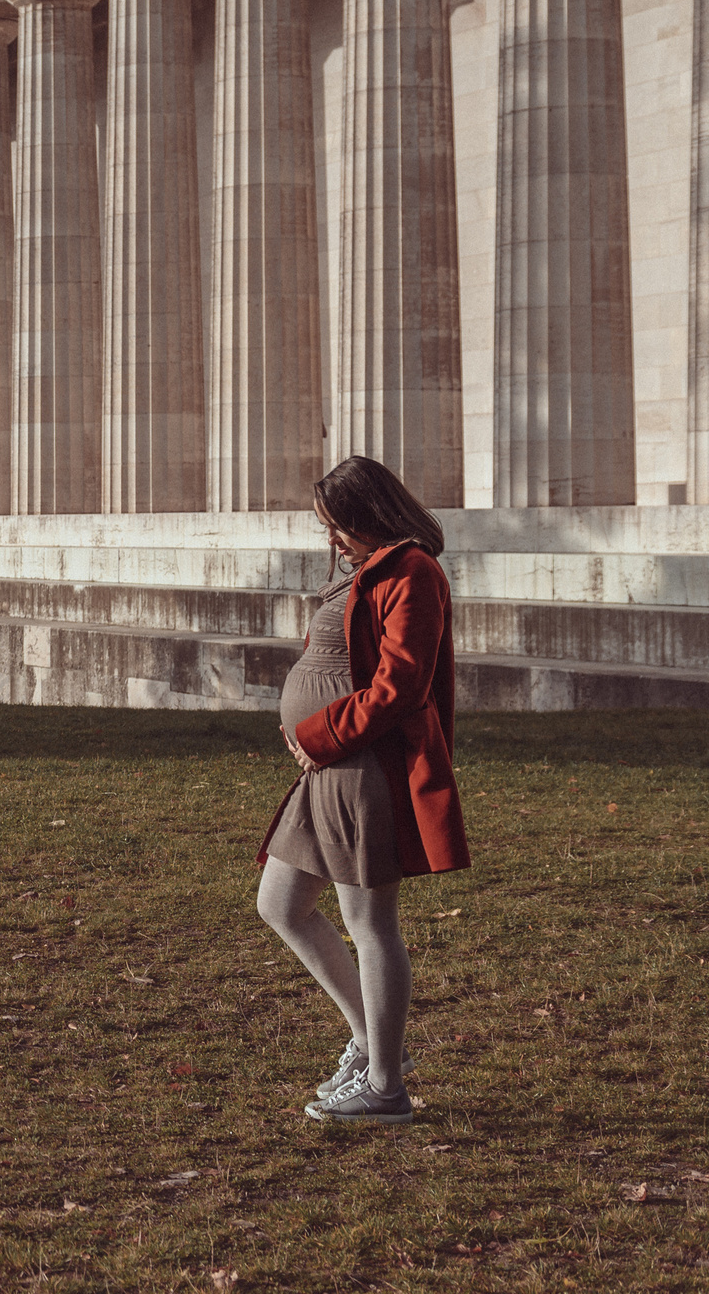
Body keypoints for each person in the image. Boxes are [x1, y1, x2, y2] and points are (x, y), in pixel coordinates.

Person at [256, 455, 469, 1126]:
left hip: (362, 765)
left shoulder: (414, 573)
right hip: (328, 766)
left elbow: (402, 686)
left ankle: (385, 1087)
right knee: (281, 903)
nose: (331, 538)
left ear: (370, 515)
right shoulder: (363, 569)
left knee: (370, 923)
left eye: (338, 524)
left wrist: (321, 732)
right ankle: (374, 1046)